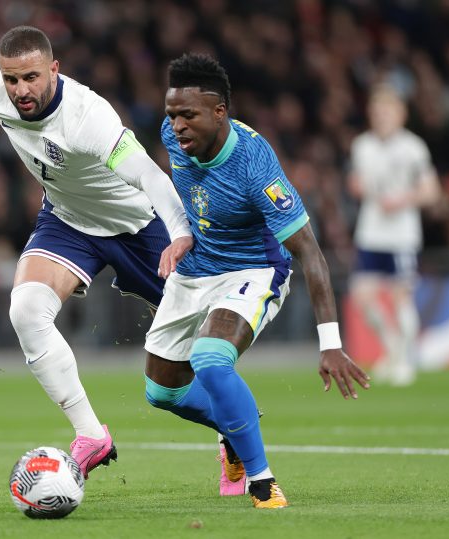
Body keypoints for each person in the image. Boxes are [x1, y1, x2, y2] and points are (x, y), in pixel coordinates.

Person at [0, 26, 193, 478]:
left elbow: (153, 178)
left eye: (32, 77)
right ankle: (92, 435)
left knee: (200, 340)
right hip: (68, 220)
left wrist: (178, 234)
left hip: (139, 226)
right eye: (13, 79)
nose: (21, 90)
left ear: (54, 69)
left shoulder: (88, 118)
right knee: (26, 311)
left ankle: (230, 441)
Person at [142, 53, 370, 509]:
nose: (178, 125)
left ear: (219, 112)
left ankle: (262, 482)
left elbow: (311, 253)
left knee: (210, 359)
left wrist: (329, 343)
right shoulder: (172, 137)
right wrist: (180, 234)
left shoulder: (255, 164)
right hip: (195, 269)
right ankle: (233, 427)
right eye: (172, 114)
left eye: (189, 115)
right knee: (161, 391)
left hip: (252, 270)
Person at [348, 85, 440, 386]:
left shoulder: (413, 147)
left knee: (401, 296)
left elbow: (431, 190)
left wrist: (402, 199)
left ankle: (406, 360)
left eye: (388, 112)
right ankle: (391, 350)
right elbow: (356, 182)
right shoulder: (362, 146)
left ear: (401, 115)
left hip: (401, 234)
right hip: (370, 232)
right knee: (363, 297)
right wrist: (358, 187)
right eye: (377, 112)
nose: (382, 117)